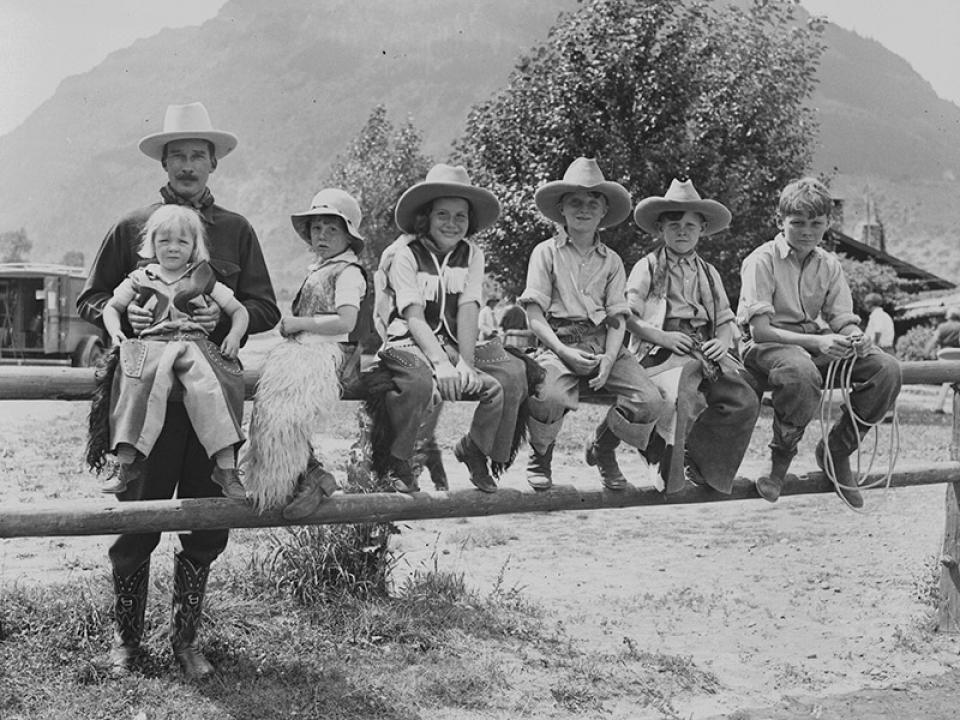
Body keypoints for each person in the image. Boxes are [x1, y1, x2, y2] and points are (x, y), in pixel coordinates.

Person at [77, 102, 280, 679]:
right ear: (163, 162)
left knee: (207, 519)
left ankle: (186, 640)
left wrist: (203, 323)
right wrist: (139, 323)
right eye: (178, 155)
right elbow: (93, 299)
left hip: (211, 396)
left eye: (199, 155)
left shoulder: (236, 230)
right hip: (146, 401)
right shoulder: (132, 226)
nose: (189, 165)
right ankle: (127, 639)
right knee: (139, 515)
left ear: (214, 163)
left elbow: (261, 307)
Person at [737, 177, 901, 508]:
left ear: (828, 223)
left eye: (816, 223)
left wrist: (855, 337)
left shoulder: (829, 264)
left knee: (886, 368)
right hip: (766, 346)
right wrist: (819, 342)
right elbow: (760, 331)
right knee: (800, 370)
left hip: (810, 343)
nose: (807, 231)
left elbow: (842, 318)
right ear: (779, 221)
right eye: (797, 223)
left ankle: (837, 451)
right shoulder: (761, 260)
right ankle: (779, 458)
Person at [371, 164, 530, 493]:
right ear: (425, 217)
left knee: (510, 373)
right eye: (442, 214)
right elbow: (413, 314)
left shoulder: (472, 254)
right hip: (409, 340)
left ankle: (477, 449)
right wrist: (441, 364)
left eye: (461, 216)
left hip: (455, 344)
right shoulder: (406, 255)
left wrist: (466, 363)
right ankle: (397, 460)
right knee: (416, 382)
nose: (452, 223)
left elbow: (469, 307)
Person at [519, 157, 665, 491]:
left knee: (649, 400)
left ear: (603, 213)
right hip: (559, 340)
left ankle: (604, 446)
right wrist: (561, 351)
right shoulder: (545, 253)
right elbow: (534, 315)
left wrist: (611, 358)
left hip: (603, 343)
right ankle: (541, 453)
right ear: (562, 210)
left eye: (592, 204)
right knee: (550, 393)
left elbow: (617, 317)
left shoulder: (612, 261)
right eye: (575, 203)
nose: (583, 209)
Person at [98, 205, 249, 498]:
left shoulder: (203, 277)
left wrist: (233, 334)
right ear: (151, 243)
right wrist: (116, 331)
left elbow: (239, 310)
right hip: (153, 343)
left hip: (194, 343)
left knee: (212, 389)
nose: (172, 248)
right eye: (164, 241)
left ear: (194, 246)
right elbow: (111, 307)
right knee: (138, 385)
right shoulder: (141, 277)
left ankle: (226, 467)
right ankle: (125, 462)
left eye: (182, 241)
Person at [626, 179, 760, 494]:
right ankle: (661, 454)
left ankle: (702, 461)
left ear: (702, 229)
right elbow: (627, 316)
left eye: (690, 225)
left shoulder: (709, 273)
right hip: (661, 347)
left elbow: (726, 319)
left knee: (744, 398)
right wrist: (661, 337)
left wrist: (723, 341)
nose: (682, 231)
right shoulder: (647, 267)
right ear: (661, 228)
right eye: (674, 224)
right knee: (679, 393)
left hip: (703, 347)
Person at [241, 189, 366, 519]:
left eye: (332, 229)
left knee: (287, 417)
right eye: (316, 228)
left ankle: (307, 480)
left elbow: (347, 320)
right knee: (268, 413)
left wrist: (298, 322)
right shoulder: (321, 269)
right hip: (303, 348)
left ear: (348, 235)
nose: (322, 235)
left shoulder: (349, 272)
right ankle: (304, 477)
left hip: (324, 352)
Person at [926, 306, 960, 413]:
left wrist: (927, 352)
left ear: (948, 316)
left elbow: (934, 340)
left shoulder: (942, 327)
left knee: (946, 381)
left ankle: (938, 406)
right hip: (958, 353)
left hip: (945, 354)